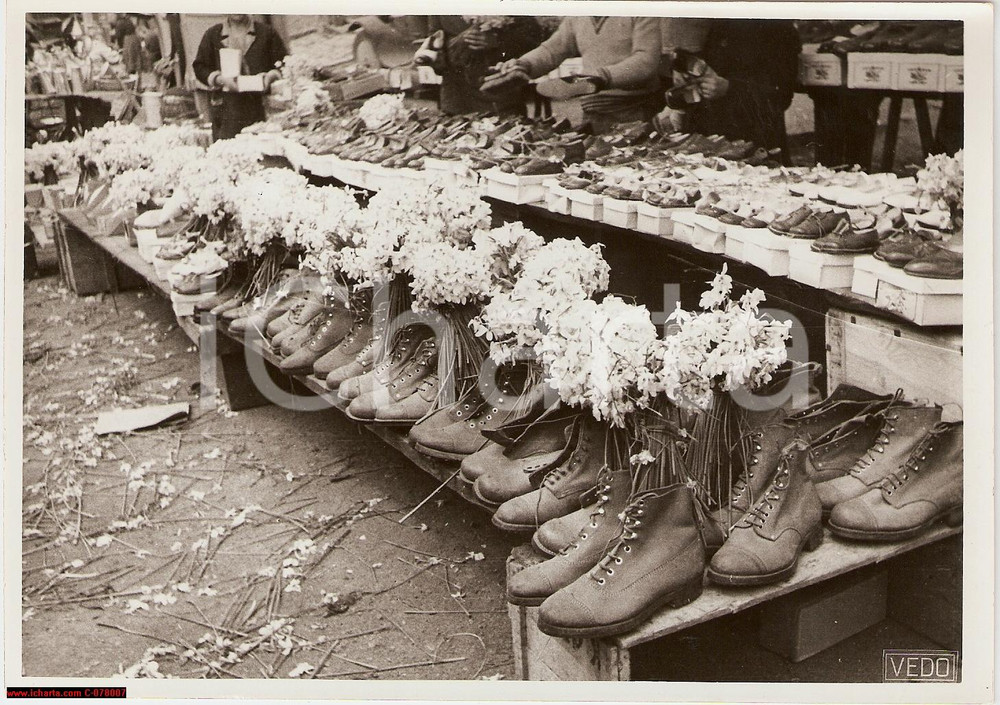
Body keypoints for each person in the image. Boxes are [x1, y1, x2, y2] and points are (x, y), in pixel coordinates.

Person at [655, 19, 800, 160]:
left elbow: (780, 96)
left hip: (756, 145)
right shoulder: (719, 20)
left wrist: (729, 88)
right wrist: (683, 70)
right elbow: (704, 66)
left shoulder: (777, 26)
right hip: (709, 142)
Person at [488, 17, 662, 133]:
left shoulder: (640, 11)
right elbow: (552, 50)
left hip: (637, 108)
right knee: (598, 165)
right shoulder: (579, 15)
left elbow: (646, 61)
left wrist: (600, 76)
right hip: (593, 108)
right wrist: (523, 64)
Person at [422, 16, 547, 115]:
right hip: (456, 98)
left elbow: (533, 37)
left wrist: (497, 41)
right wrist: (456, 44)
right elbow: (432, 46)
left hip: (500, 95)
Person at [192, 14, 287, 141]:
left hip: (261, 110)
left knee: (263, 148)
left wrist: (271, 76)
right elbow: (200, 67)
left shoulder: (266, 33)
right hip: (228, 113)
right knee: (230, 150)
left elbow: (284, 63)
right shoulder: (213, 35)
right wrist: (220, 79)